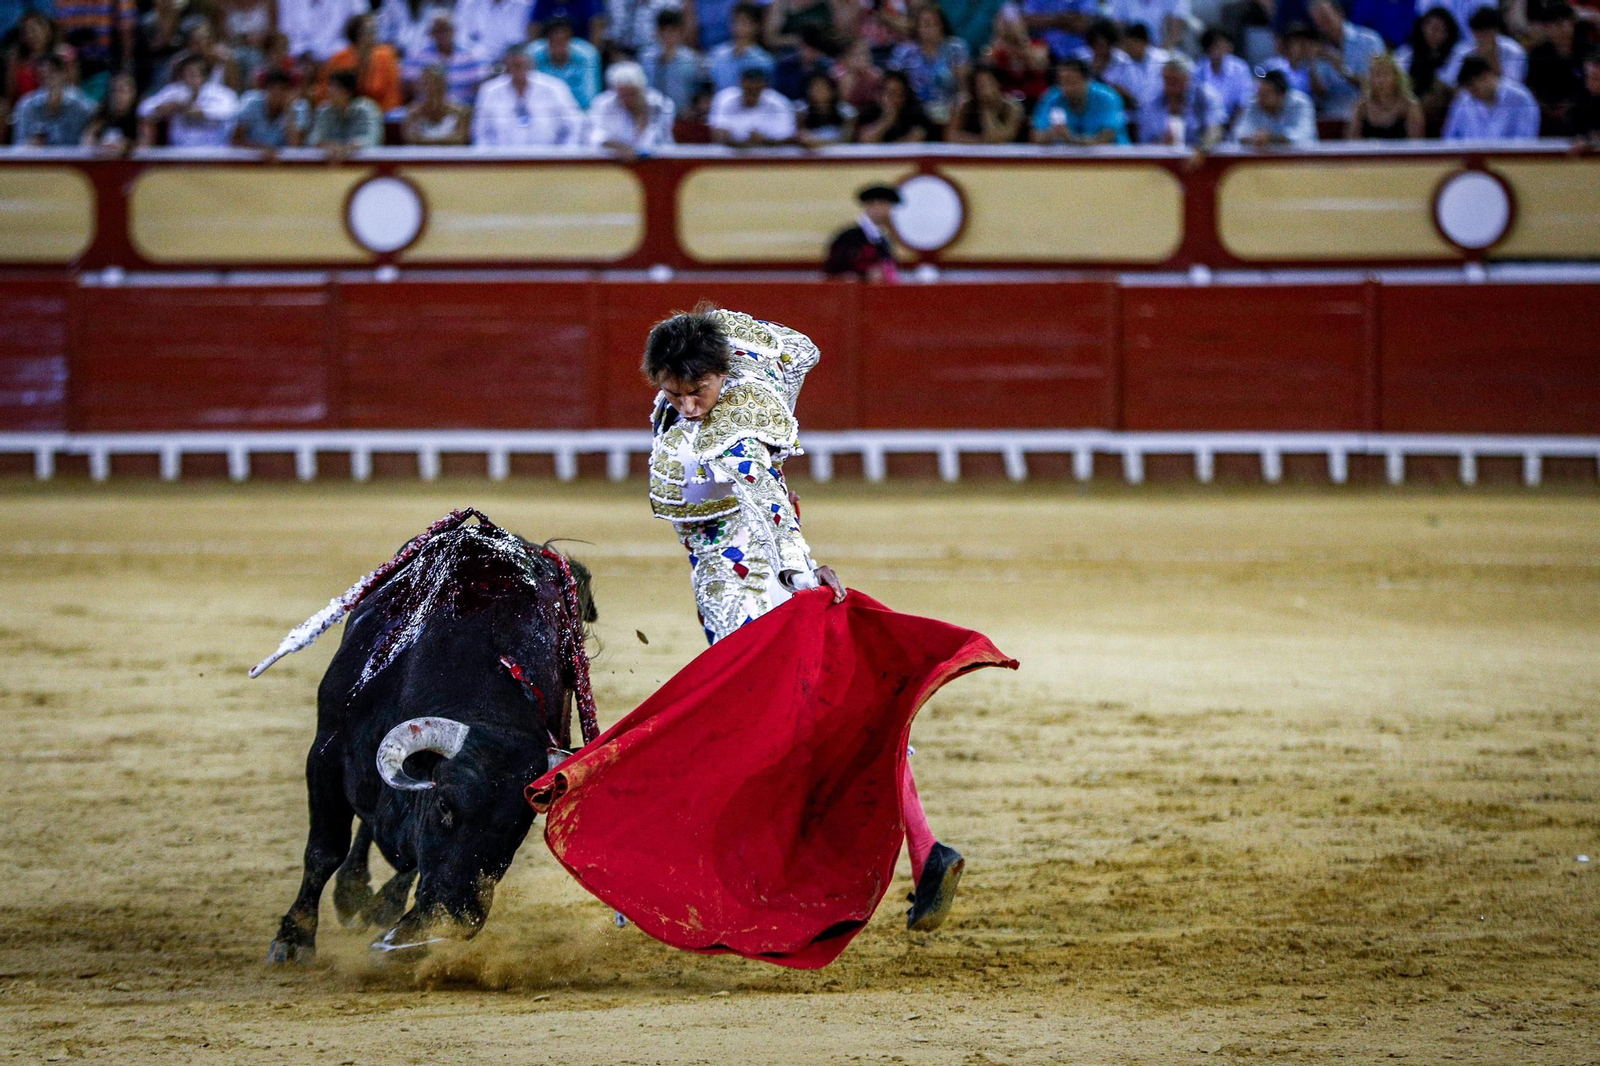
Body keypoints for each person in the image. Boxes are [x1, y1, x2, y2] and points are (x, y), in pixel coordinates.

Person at [639, 304, 969, 932]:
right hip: (729, 581)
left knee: (760, 730)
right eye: (673, 392)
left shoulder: (738, 425)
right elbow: (799, 346)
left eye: (697, 389)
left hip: (750, 588)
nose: (686, 405)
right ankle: (927, 851)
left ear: (722, 373)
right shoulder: (723, 386)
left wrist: (799, 574)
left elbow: (766, 502)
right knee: (823, 721)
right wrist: (707, 334)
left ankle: (686, 872)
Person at [472, 43, 582, 145]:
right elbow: (480, 133)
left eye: (522, 65)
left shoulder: (554, 87)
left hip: (549, 159)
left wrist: (565, 155)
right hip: (502, 160)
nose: (518, 70)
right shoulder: (490, 90)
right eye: (514, 65)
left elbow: (575, 125)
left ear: (531, 64)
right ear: (506, 66)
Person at [889, 4, 971, 123]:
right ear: (917, 27)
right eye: (924, 24)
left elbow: (964, 89)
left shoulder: (955, 49)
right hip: (913, 112)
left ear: (941, 25)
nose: (928, 29)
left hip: (949, 109)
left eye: (932, 24)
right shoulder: (904, 52)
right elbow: (892, 84)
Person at [137, 54, 240, 146]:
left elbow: (232, 112)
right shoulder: (174, 91)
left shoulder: (221, 93)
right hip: (179, 151)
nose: (188, 79)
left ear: (204, 76)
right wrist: (160, 109)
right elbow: (143, 109)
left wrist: (201, 112)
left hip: (214, 152)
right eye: (184, 75)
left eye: (192, 75)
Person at [1307, 0, 1385, 117]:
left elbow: (1380, 83)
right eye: (1318, 21)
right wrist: (1311, 65)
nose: (1323, 25)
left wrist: (1344, 71)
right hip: (1332, 117)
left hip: (1369, 114)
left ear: (1340, 13)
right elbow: (1321, 94)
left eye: (1326, 18)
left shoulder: (1369, 40)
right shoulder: (1318, 50)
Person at [1030, 56, 1130, 144]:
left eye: (1072, 82)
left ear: (1087, 80)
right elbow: (1036, 137)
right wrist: (1052, 133)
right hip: (1069, 161)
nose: (1066, 88)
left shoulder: (1108, 98)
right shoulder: (1052, 98)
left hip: (1112, 160)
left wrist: (1070, 138)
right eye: (1062, 82)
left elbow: (1105, 139)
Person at [1525, 2, 1591, 134]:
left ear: (1572, 24)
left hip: (1584, 113)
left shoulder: (1589, 51)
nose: (1558, 30)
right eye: (1552, 25)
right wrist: (1549, 109)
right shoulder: (1537, 54)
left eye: (1561, 24)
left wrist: (1573, 107)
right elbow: (1531, 89)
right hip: (1547, 115)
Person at [1441, 52, 1541, 137]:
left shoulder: (1521, 99)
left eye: (1474, 88)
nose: (1472, 95)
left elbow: (1526, 141)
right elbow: (1449, 138)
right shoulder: (1464, 99)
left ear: (1486, 76)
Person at [589, 59, 676, 155]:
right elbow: (596, 137)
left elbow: (659, 140)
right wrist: (620, 147)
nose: (628, 99)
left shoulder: (662, 104)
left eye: (632, 93)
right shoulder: (603, 104)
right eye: (623, 95)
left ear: (642, 88)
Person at [403, 14, 493, 106]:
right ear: (430, 34)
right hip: (428, 108)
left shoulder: (473, 54)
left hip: (464, 108)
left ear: (454, 31)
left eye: (446, 30)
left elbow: (481, 85)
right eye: (438, 31)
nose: (442, 34)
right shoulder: (417, 55)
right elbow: (409, 85)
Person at [1137, 53, 1225, 146]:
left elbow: (1216, 129)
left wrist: (1201, 150)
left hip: (1200, 154)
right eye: (1166, 80)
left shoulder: (1206, 97)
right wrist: (1161, 143)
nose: (1170, 86)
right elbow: (1144, 139)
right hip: (1163, 156)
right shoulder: (1152, 102)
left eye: (1175, 81)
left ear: (1187, 79)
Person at [319, 15, 403, 112]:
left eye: (374, 31)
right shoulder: (339, 59)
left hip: (381, 114)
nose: (373, 36)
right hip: (344, 112)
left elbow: (393, 93)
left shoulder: (387, 57)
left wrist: (379, 113)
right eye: (368, 32)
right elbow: (326, 89)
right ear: (356, 35)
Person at [12, 53, 95, 145]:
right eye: (42, 76)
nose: (48, 80)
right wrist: (30, 145)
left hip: (74, 158)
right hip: (40, 158)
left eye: (52, 73)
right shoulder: (26, 106)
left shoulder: (82, 105)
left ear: (64, 74)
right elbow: (18, 146)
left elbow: (94, 134)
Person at [825, 184, 901, 279]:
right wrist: (864, 275)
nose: (890, 211)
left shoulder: (882, 239)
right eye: (887, 205)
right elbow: (834, 272)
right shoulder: (848, 238)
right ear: (874, 205)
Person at [640, 8, 707, 114]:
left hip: (683, 116)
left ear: (680, 32)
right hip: (654, 115)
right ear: (658, 32)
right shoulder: (646, 59)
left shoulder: (691, 59)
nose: (668, 36)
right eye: (664, 31)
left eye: (672, 31)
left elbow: (700, 92)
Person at [708, 64, 795, 144]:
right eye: (748, 89)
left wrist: (765, 140)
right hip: (730, 155)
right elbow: (717, 133)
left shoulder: (779, 103)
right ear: (740, 84)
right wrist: (731, 140)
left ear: (764, 87)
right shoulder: (725, 99)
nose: (752, 91)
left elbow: (788, 136)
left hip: (770, 155)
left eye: (756, 89)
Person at [1231, 67, 1318, 145]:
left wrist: (1273, 137)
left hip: (1302, 159)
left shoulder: (1301, 103)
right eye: (1259, 94)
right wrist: (1253, 138)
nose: (1260, 99)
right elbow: (1238, 134)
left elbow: (1304, 136)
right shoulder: (1255, 103)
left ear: (1281, 94)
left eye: (1265, 95)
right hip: (1265, 160)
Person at [1441, 6, 1527, 85]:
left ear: (1496, 30)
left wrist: (1491, 57)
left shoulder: (1513, 51)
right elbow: (1449, 81)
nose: (1482, 38)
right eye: (1478, 33)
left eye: (1486, 33)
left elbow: (1513, 87)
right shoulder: (1462, 50)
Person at [1346, 49, 1424, 136]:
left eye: (1385, 74)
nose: (1381, 80)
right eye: (1377, 74)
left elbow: (1415, 144)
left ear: (1396, 77)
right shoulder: (1362, 107)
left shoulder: (1409, 106)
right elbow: (1353, 143)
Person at [529, 14, 601, 107]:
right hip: (544, 112)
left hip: (578, 112)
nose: (559, 44)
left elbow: (590, 97)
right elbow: (530, 95)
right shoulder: (532, 55)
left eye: (563, 39)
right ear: (547, 40)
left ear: (570, 38)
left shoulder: (587, 55)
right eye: (554, 40)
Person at [985, 4, 1051, 105]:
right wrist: (999, 38)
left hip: (1036, 100)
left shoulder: (1038, 45)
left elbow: (1040, 65)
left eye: (1012, 23)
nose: (1009, 27)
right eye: (1006, 23)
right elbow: (985, 68)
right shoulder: (997, 49)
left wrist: (1021, 39)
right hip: (1007, 102)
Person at [945, 61, 1024, 141]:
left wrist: (988, 112)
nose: (984, 89)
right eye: (979, 85)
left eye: (987, 83)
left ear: (998, 83)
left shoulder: (1012, 108)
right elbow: (951, 136)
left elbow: (1000, 138)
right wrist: (979, 140)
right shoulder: (965, 105)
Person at [308, 68, 382, 153]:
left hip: (362, 163)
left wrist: (349, 147)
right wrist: (329, 145)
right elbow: (313, 140)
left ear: (347, 92)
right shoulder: (324, 111)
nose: (329, 91)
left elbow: (372, 138)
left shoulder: (367, 109)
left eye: (334, 87)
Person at [234, 67, 311, 147]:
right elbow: (235, 140)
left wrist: (288, 110)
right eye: (273, 88)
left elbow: (295, 146)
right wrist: (261, 149)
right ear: (266, 89)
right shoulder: (251, 103)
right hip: (248, 158)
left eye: (283, 89)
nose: (277, 93)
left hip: (281, 159)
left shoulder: (299, 108)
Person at [708, 2, 774, 91]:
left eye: (744, 22)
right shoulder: (716, 54)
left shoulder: (765, 61)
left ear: (756, 26)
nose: (739, 27)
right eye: (735, 21)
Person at [1196, 27, 1256, 124]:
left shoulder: (1240, 68)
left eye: (1222, 45)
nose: (1219, 50)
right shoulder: (1199, 69)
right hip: (1208, 125)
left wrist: (1229, 127)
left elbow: (1244, 102)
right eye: (1215, 46)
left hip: (1236, 123)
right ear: (1207, 48)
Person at [856, 66, 933, 141]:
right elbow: (865, 140)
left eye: (897, 93)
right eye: (888, 93)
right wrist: (887, 120)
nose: (892, 98)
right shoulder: (869, 112)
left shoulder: (916, 114)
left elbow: (914, 140)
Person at [402, 62, 472, 142]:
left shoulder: (461, 112)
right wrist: (446, 140)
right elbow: (411, 139)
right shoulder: (413, 113)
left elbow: (460, 139)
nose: (432, 87)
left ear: (444, 85)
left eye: (436, 83)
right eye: (427, 83)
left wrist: (423, 140)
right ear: (421, 86)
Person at [278, 0, 367, 62]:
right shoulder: (288, 2)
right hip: (299, 59)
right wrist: (302, 53)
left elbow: (362, 20)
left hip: (338, 57)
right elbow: (285, 32)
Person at [796, 70, 858, 145]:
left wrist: (818, 142)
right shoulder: (801, 112)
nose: (818, 91)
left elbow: (846, 141)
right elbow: (801, 139)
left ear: (832, 91)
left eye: (822, 87)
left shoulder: (848, 113)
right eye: (814, 87)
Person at [454, 0, 534, 58]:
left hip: (512, 63)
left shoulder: (525, 5)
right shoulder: (468, 3)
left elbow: (525, 43)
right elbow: (460, 39)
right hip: (475, 64)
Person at [84, 70, 140, 149]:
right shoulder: (101, 116)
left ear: (132, 93)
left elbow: (144, 146)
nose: (117, 96)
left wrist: (127, 146)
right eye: (114, 91)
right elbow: (86, 142)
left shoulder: (139, 118)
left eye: (122, 91)